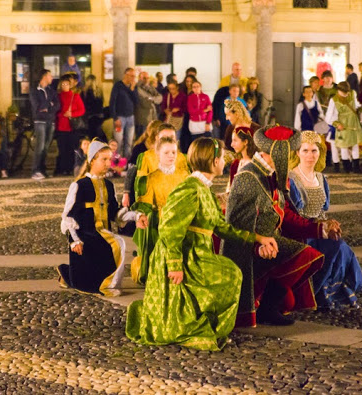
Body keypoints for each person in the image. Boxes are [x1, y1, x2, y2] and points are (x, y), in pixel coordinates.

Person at [126, 137, 278, 350]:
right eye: (221, 157)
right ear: (213, 161)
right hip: (182, 255)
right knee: (231, 275)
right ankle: (205, 327)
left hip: (198, 252)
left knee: (231, 274)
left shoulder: (204, 189)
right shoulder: (189, 188)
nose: (224, 161)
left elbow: (220, 226)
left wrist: (258, 238)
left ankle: (208, 324)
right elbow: (170, 228)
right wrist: (175, 265)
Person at [222, 125, 337, 327]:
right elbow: (236, 226)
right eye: (289, 153)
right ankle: (266, 307)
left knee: (306, 257)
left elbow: (287, 216)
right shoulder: (248, 177)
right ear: (276, 153)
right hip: (249, 249)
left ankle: (268, 307)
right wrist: (257, 245)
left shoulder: (271, 175)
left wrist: (321, 228)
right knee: (303, 257)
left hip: (271, 242)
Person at [288, 131, 362, 309]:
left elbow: (323, 209)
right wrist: (318, 227)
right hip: (302, 231)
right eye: (305, 150)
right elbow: (292, 214)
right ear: (297, 152)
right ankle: (318, 293)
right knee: (332, 247)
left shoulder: (321, 178)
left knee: (342, 247)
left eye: (314, 151)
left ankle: (335, 290)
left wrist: (330, 223)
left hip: (321, 228)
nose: (310, 155)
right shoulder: (291, 179)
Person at [58, 140, 127, 296]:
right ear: (92, 160)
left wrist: (135, 216)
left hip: (103, 232)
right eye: (104, 159)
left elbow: (114, 211)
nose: (108, 163)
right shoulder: (79, 185)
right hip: (85, 234)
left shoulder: (109, 185)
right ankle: (108, 286)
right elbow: (69, 215)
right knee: (118, 243)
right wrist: (74, 240)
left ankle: (68, 274)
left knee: (114, 243)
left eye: (110, 159)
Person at [129, 135, 189, 284]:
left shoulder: (184, 175)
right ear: (158, 154)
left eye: (174, 152)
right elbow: (145, 201)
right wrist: (141, 215)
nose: (171, 156)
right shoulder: (152, 178)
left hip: (181, 222)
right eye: (166, 153)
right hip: (159, 223)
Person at [122, 123, 187, 208]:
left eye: (171, 138)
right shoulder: (146, 157)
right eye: (164, 138)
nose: (167, 141)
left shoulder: (182, 158)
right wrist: (126, 193)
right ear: (157, 138)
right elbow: (140, 184)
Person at [325, 82, 362, 173]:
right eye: (344, 92)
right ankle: (347, 168)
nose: (346, 94)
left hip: (353, 123)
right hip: (342, 125)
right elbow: (328, 117)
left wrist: (361, 110)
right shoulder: (334, 100)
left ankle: (356, 167)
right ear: (338, 90)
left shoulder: (352, 93)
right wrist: (336, 124)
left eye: (347, 92)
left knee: (355, 144)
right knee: (344, 146)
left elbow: (357, 105)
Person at [30, 69, 60, 180]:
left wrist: (48, 108)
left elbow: (57, 104)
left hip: (50, 121)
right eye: (50, 76)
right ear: (44, 77)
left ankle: (42, 169)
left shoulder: (51, 90)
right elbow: (38, 106)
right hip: (40, 121)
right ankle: (35, 170)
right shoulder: (35, 91)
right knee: (40, 146)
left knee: (46, 147)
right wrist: (49, 104)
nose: (52, 78)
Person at [54, 75, 85, 176]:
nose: (65, 86)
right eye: (63, 84)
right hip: (61, 126)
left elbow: (81, 110)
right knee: (62, 149)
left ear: (70, 85)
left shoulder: (75, 96)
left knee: (72, 148)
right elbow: (55, 111)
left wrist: (72, 114)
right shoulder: (58, 97)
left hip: (72, 127)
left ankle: (71, 167)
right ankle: (63, 168)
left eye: (67, 84)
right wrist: (62, 114)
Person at [109, 68, 138, 158]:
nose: (133, 78)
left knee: (129, 141)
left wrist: (132, 90)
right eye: (132, 76)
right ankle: (116, 162)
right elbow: (112, 102)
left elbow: (136, 101)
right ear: (126, 75)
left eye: (134, 76)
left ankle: (126, 162)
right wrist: (115, 118)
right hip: (120, 117)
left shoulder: (133, 86)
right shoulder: (118, 86)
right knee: (118, 141)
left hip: (130, 117)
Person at [226, 126, 258, 194]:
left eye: (235, 140)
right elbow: (230, 188)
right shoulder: (236, 163)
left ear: (245, 142)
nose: (232, 144)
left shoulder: (256, 164)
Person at [136, 71, 162, 138]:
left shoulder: (150, 87)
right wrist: (153, 99)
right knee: (142, 138)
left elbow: (160, 98)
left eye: (147, 78)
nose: (146, 80)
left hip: (152, 117)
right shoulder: (136, 88)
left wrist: (151, 98)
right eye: (144, 78)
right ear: (139, 78)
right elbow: (145, 101)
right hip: (143, 119)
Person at [186, 80, 213, 145]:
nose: (196, 88)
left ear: (200, 87)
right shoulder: (190, 98)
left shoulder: (206, 97)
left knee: (207, 144)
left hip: (205, 124)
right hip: (194, 124)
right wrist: (204, 110)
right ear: (192, 89)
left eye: (197, 86)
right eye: (194, 87)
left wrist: (208, 122)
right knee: (196, 144)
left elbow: (210, 111)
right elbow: (191, 111)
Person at [81, 75, 106, 141]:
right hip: (99, 115)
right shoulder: (99, 91)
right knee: (98, 133)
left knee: (92, 134)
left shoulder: (85, 92)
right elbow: (102, 102)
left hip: (90, 116)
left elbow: (84, 105)